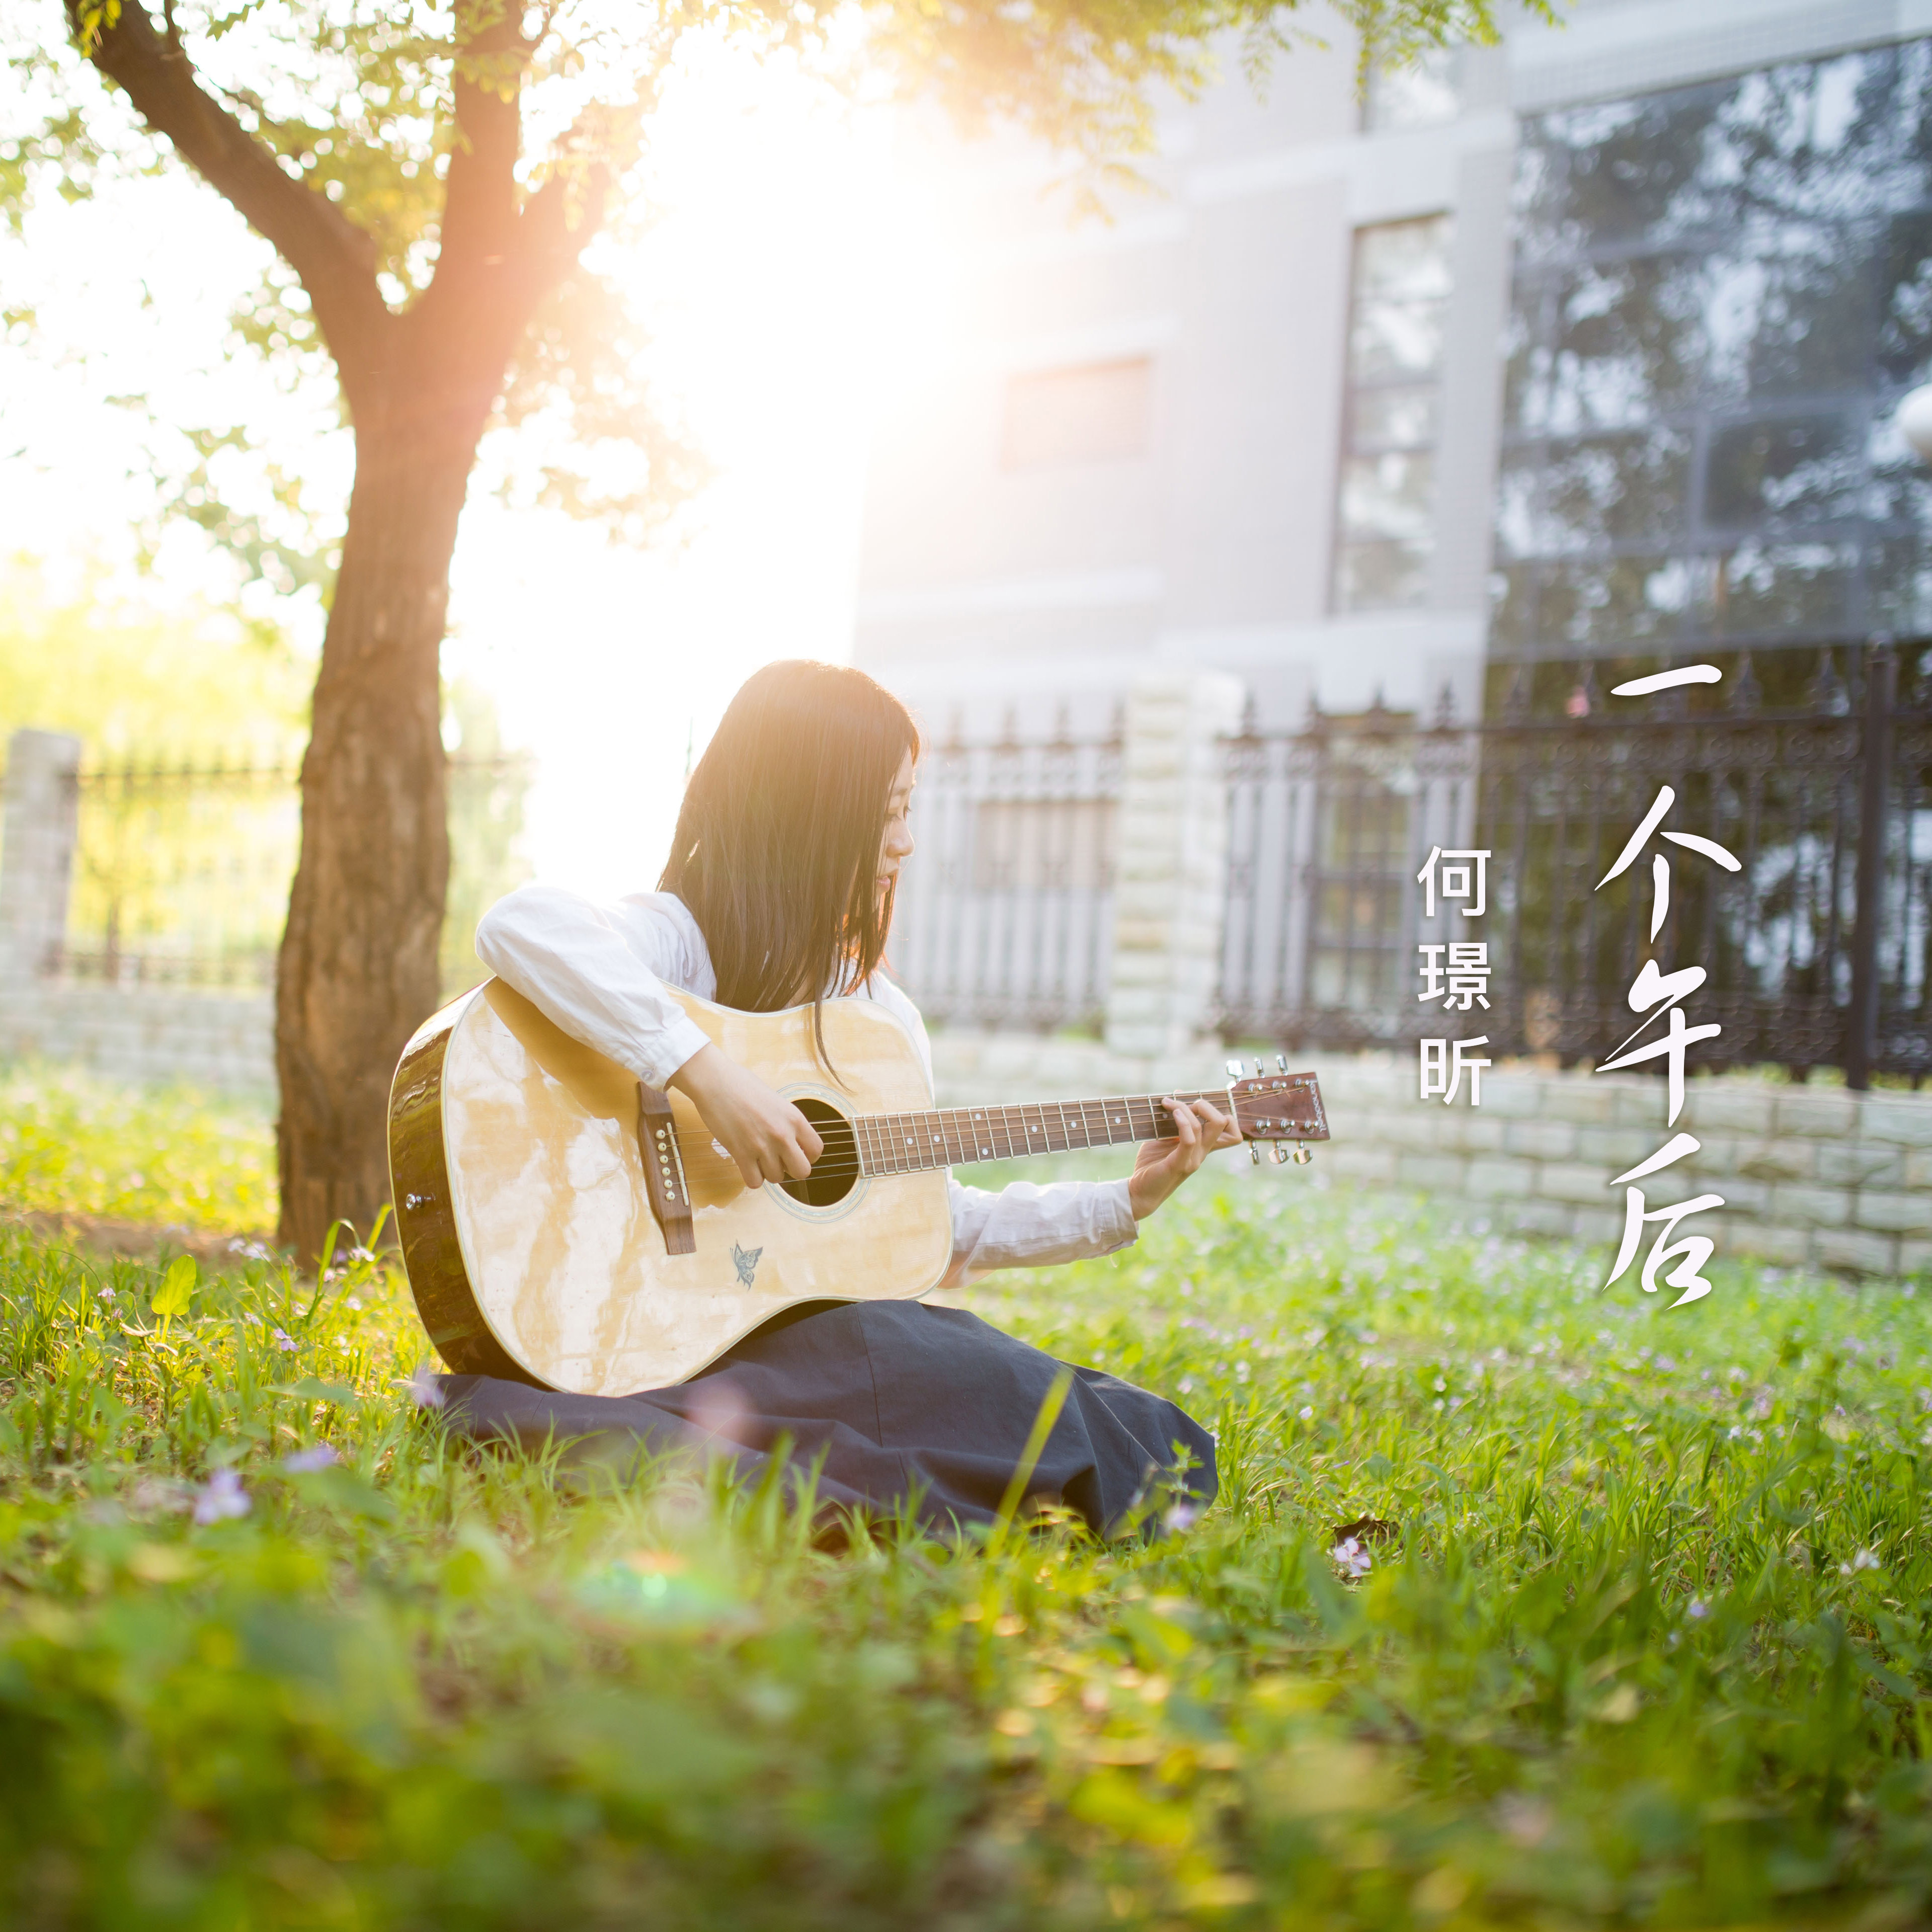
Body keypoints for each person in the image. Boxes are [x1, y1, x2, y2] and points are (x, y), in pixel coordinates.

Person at [440, 660, 1240, 1539]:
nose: (905, 843)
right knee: (928, 1385)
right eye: (892, 811)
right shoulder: (678, 943)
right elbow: (520, 924)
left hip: (798, 1342)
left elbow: (930, 1227)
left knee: (1059, 1405)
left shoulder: (878, 1020)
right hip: (667, 1326)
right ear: (814, 813)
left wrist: (1125, 1201)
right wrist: (708, 1076)